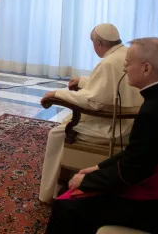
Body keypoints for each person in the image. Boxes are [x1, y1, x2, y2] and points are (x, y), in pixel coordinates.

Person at [45, 38, 158, 234]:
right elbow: (136, 153)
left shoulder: (152, 111)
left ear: (146, 68)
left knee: (67, 204)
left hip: (157, 204)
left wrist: (88, 181)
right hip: (155, 182)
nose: (124, 69)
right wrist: (97, 167)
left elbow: (132, 170)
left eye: (128, 63)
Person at [39, 24, 144, 203]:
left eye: (93, 43)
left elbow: (92, 102)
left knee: (57, 133)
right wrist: (82, 81)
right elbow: (107, 87)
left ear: (99, 42)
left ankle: (50, 192)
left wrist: (56, 94)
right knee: (65, 123)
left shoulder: (108, 62)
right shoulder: (124, 54)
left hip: (113, 126)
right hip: (130, 121)